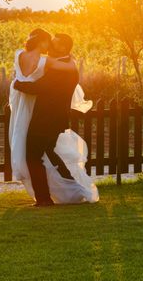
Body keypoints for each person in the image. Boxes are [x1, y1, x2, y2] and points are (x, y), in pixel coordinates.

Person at [8, 30, 98, 206]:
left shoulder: (63, 70)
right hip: (51, 119)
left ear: (63, 48)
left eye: (54, 45)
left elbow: (40, 88)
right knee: (50, 155)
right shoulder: (62, 65)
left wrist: (16, 83)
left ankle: (44, 199)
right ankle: (74, 191)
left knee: (33, 156)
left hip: (47, 119)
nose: (49, 48)